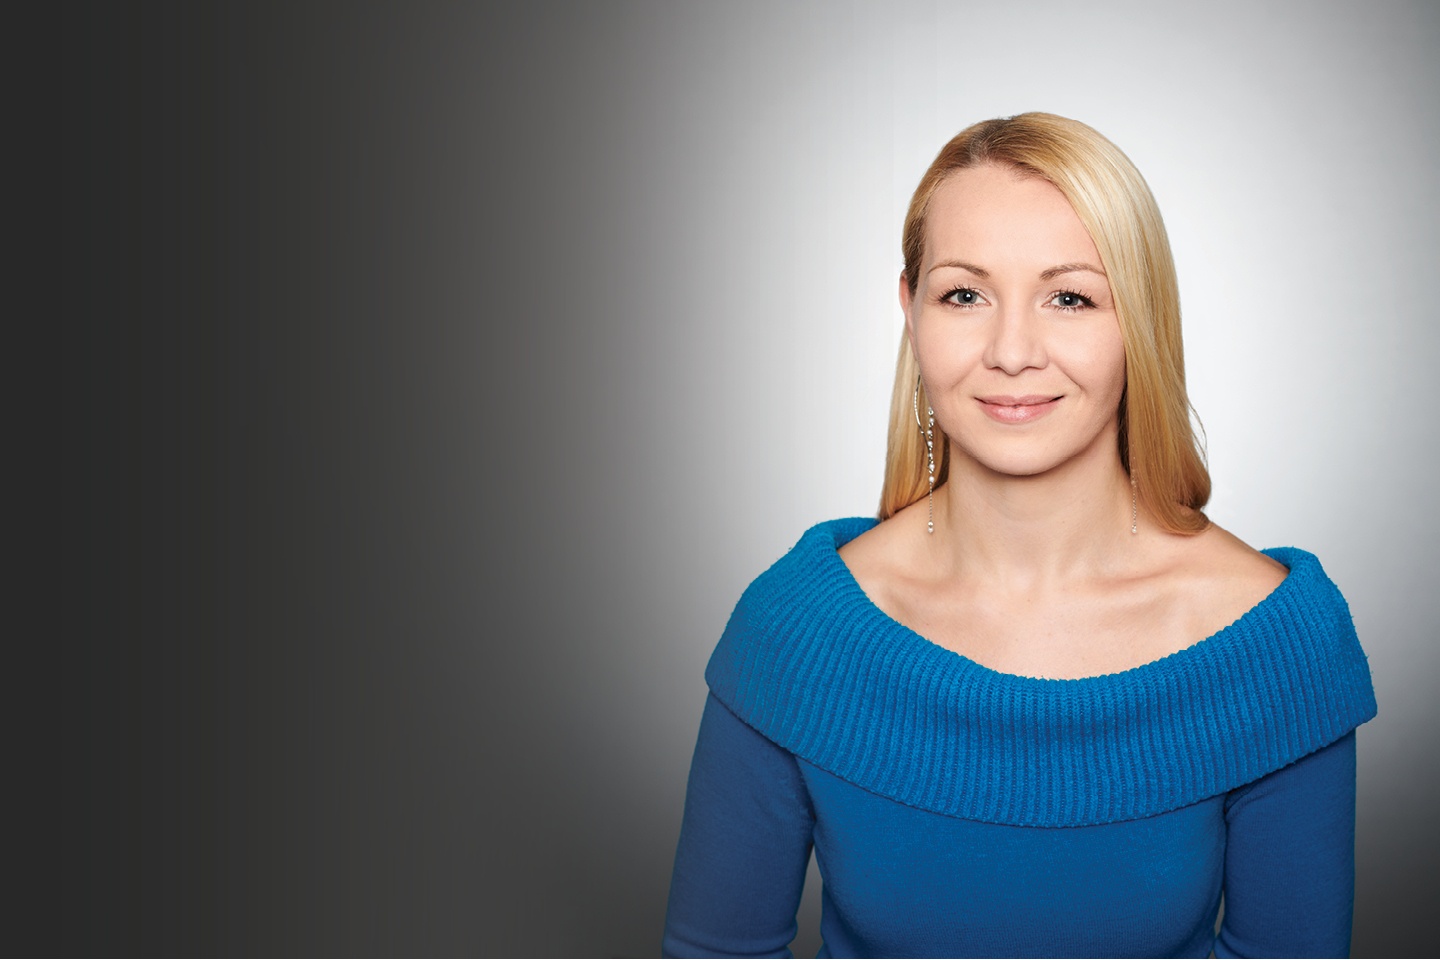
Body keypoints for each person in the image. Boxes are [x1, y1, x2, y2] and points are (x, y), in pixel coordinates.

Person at [661, 113, 1377, 958]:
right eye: (964, 295)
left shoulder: (1277, 641)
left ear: (1138, 319)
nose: (1011, 351)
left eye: (1069, 297)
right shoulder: (795, 629)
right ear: (911, 311)